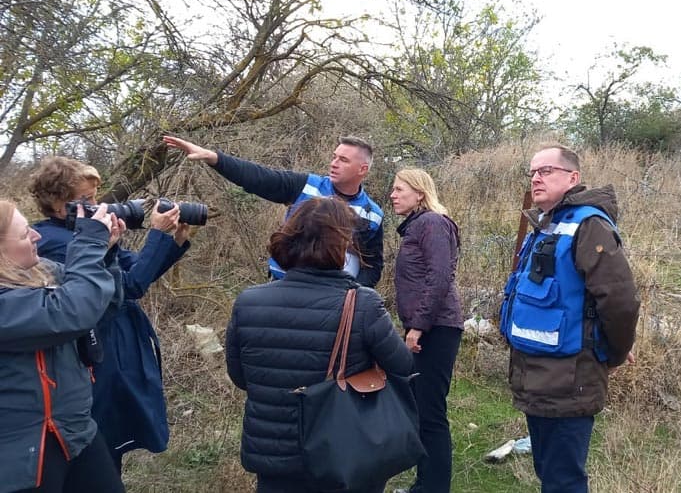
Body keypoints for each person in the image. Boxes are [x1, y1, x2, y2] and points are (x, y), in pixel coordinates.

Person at [225, 196, 413, 493]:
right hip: (343, 452)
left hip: (273, 453)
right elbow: (402, 366)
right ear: (341, 245)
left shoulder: (248, 301)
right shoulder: (362, 303)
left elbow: (240, 377)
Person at [28, 156, 192, 469]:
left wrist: (174, 242)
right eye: (86, 200)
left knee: (112, 444)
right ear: (59, 204)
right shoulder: (52, 241)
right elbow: (130, 287)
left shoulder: (83, 232)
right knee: (100, 445)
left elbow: (133, 271)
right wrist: (156, 235)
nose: (97, 206)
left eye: (96, 197)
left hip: (115, 346)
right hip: (93, 356)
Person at [499, 144, 640, 493]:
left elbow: (620, 300)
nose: (536, 178)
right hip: (539, 375)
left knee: (563, 479)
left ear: (573, 178)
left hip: (571, 378)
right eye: (533, 171)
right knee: (549, 471)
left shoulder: (589, 226)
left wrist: (615, 353)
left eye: (546, 171)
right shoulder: (548, 223)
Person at [0, 199, 127, 493]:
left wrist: (104, 254)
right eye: (23, 234)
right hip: (17, 454)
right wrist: (87, 244)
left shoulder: (43, 273)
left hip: (75, 433)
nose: (37, 236)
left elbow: (100, 306)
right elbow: (69, 313)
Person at [162, 135, 384, 286]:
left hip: (333, 299)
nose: (334, 163)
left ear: (362, 169)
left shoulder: (372, 214)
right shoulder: (305, 185)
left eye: (343, 160)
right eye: (334, 157)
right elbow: (258, 177)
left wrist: (354, 292)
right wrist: (215, 159)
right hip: (285, 287)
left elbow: (372, 265)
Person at [389, 168, 463, 493]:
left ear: (419, 193)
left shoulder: (432, 222)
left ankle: (433, 488)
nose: (392, 195)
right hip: (429, 326)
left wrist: (418, 326)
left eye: (399, 189)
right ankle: (426, 483)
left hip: (437, 328)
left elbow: (440, 277)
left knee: (430, 412)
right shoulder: (417, 226)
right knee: (422, 408)